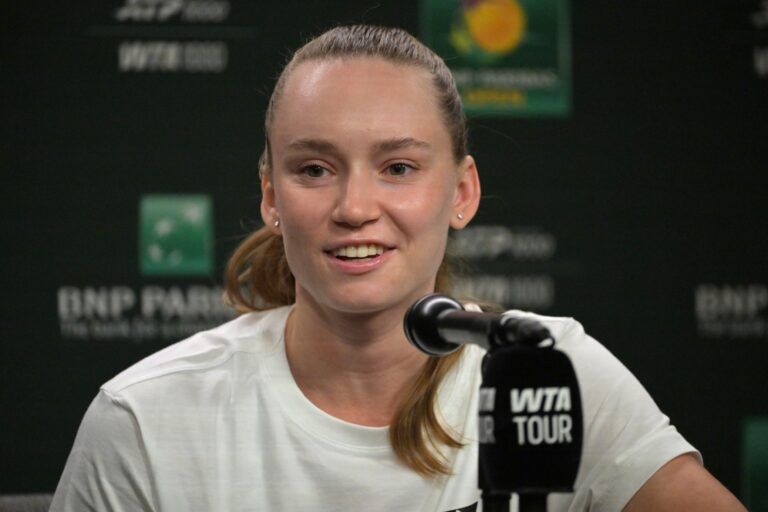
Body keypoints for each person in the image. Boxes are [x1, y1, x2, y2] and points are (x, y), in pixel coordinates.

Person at [50, 25, 745, 511]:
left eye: (399, 167)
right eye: (314, 169)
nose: (356, 207)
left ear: (462, 192)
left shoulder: (541, 368)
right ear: (270, 196)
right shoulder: (145, 418)